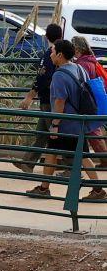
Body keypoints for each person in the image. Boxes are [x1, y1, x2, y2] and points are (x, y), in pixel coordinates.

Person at [27, 39, 104, 200]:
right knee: (66, 153)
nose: (51, 54)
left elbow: (60, 101)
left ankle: (98, 190)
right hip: (79, 120)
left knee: (71, 154)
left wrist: (55, 124)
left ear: (60, 55)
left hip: (65, 124)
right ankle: (44, 187)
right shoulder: (79, 68)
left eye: (53, 51)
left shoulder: (59, 75)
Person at [16, 24, 64, 173]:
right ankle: (28, 162)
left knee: (54, 135)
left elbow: (41, 77)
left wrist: (30, 96)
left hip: (48, 101)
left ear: (46, 37)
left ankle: (70, 165)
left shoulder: (49, 54)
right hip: (51, 99)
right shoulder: (61, 52)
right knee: (42, 134)